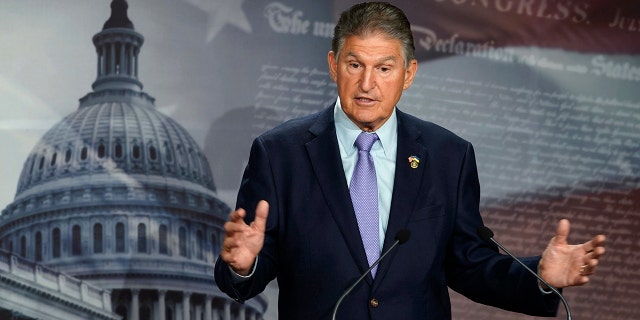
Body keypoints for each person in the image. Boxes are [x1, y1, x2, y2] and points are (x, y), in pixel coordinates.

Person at [214, 2, 606, 319]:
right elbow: (250, 272)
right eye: (355, 65)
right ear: (334, 65)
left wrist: (539, 276)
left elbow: (468, 262)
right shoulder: (280, 153)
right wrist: (243, 265)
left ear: (409, 74)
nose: (367, 84)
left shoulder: (448, 155)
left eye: (384, 68)